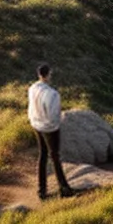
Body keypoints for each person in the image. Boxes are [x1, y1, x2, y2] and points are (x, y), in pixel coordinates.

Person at [28, 63, 74, 200]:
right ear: (48, 75)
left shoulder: (33, 88)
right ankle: (64, 188)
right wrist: (56, 126)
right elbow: (54, 115)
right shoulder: (53, 94)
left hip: (36, 124)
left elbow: (31, 106)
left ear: (38, 74)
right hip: (49, 128)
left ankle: (42, 190)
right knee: (55, 157)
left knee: (42, 155)